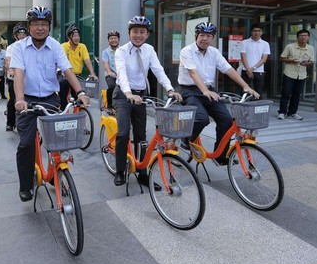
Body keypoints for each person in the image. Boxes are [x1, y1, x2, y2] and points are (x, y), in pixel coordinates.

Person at [9, 6, 90, 202]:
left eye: (44, 24)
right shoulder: (19, 47)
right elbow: (18, 74)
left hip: (50, 99)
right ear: (29, 27)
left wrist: (80, 92)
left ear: (49, 27)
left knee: (58, 141)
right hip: (26, 101)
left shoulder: (54, 46)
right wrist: (19, 100)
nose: (40, 28)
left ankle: (55, 176)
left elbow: (67, 70)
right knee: (26, 143)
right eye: (35, 24)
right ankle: (26, 184)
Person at [113, 16, 183, 187]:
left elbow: (158, 70)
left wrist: (170, 89)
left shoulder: (149, 50)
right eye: (135, 31)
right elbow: (121, 73)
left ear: (147, 34)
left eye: (142, 32)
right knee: (123, 134)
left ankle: (143, 173)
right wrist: (128, 93)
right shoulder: (121, 51)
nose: (138, 35)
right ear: (129, 33)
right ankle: (120, 171)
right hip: (123, 95)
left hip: (140, 96)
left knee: (141, 136)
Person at [178, 21, 259, 165]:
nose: (205, 39)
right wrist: (204, 91)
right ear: (196, 36)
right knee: (202, 119)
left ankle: (220, 155)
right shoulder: (186, 51)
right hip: (189, 90)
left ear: (212, 37)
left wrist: (246, 86)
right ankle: (186, 138)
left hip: (209, 89)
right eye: (202, 35)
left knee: (227, 120)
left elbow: (228, 69)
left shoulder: (214, 52)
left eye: (208, 36)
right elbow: (192, 72)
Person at [278, 29, 315, 120]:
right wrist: (291, 61)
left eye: (305, 35)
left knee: (297, 94)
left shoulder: (311, 48)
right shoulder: (290, 46)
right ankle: (282, 112)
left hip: (302, 74)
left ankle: (292, 112)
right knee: (286, 93)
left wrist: (307, 63)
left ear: (308, 37)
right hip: (289, 73)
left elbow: (312, 61)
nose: (303, 37)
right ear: (297, 37)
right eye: (301, 36)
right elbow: (282, 58)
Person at [59, 24, 98, 109]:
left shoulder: (82, 46)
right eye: (74, 36)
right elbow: (63, 61)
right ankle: (62, 108)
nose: (77, 38)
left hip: (78, 75)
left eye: (78, 36)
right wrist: (65, 72)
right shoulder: (64, 46)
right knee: (62, 85)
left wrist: (92, 74)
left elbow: (87, 61)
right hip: (67, 75)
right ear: (69, 37)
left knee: (79, 96)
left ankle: (79, 112)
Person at [4, 22, 28, 131]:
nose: (22, 35)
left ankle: (25, 123)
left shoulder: (30, 46)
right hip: (14, 76)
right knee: (13, 100)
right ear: (15, 35)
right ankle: (10, 123)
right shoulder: (11, 47)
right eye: (19, 33)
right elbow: (8, 60)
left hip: (28, 78)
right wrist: (11, 71)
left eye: (24, 33)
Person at [239, 23, 270, 98]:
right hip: (245, 70)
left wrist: (253, 68)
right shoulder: (244, 42)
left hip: (259, 71)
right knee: (245, 91)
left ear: (262, 32)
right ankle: (243, 108)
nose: (257, 33)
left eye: (259, 31)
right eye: (255, 31)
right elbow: (243, 57)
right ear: (251, 32)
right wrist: (248, 70)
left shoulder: (265, 44)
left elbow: (264, 59)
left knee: (258, 92)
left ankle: (257, 109)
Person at [101, 30, 120, 111]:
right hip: (110, 74)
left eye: (115, 38)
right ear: (108, 40)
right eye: (111, 38)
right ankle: (109, 105)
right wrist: (109, 72)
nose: (113, 40)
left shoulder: (122, 50)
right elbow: (105, 64)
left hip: (121, 74)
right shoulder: (105, 52)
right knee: (112, 86)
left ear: (118, 40)